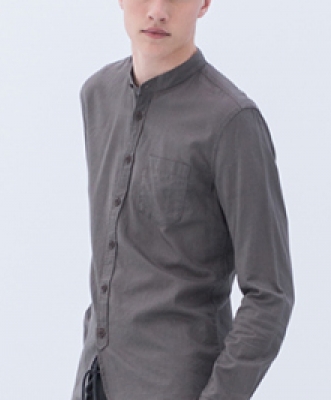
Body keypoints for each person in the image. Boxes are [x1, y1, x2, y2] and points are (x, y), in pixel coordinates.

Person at [73, 1, 294, 398]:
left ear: (204, 3)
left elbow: (270, 294)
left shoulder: (232, 122)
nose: (157, 11)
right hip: (95, 379)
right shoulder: (97, 95)